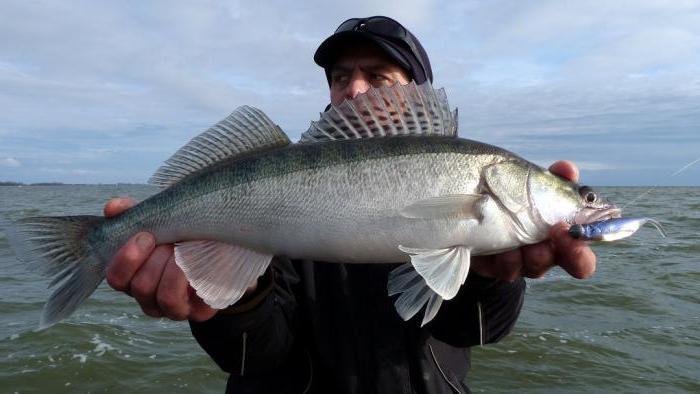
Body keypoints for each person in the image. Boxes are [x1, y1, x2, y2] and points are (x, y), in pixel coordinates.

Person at [103, 16, 596, 393]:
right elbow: (255, 356)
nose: (354, 89)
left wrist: (489, 277)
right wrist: (233, 298)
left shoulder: (470, 184)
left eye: (379, 78)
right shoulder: (282, 180)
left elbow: (478, 330)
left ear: (418, 92)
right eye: (341, 77)